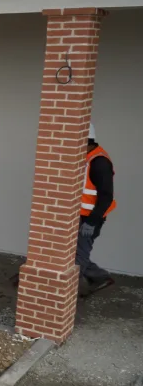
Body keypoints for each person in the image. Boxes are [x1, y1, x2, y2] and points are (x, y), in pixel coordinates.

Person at [77, 122, 116, 294]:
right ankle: (100, 276)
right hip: (80, 216)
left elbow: (106, 196)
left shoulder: (99, 163)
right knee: (76, 253)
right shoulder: (87, 157)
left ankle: (65, 295)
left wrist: (92, 222)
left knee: (77, 258)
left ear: (88, 141)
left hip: (90, 219)